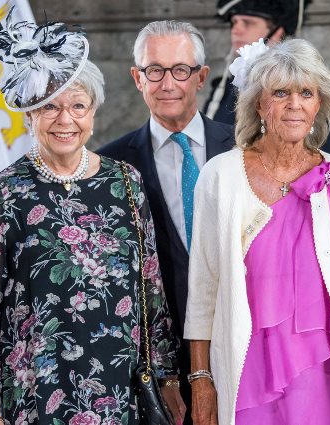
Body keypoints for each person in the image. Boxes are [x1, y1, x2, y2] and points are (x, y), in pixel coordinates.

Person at [0, 10, 184, 424]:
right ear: (30, 116)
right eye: (50, 108)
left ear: (92, 113)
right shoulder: (5, 192)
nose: (66, 120)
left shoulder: (125, 182)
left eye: (78, 106)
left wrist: (166, 377)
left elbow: (150, 285)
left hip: (119, 384)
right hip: (35, 385)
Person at [184, 39, 330, 425]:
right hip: (246, 363)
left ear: (318, 104)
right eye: (281, 93)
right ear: (259, 104)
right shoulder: (220, 175)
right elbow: (204, 286)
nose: (295, 104)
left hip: (325, 367)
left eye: (306, 93)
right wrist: (201, 378)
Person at [98, 20, 235, 424]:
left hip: (237, 338)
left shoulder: (244, 148)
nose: (167, 83)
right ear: (137, 78)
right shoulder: (111, 166)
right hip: (154, 366)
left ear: (202, 77)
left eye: (180, 70)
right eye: (154, 70)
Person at [203, 0, 330, 157]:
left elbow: (326, 158)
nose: (236, 30)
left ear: (278, 31)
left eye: (247, 23)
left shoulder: (308, 89)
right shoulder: (224, 90)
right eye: (234, 22)